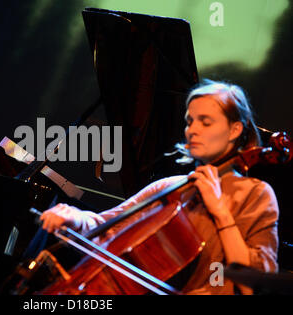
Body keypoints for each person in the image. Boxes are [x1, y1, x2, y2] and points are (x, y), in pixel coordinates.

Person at [39, 79, 279, 295]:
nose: (192, 130)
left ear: (235, 130)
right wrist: (76, 219)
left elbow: (257, 282)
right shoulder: (171, 187)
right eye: (190, 121)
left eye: (205, 122)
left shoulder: (256, 194)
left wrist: (221, 212)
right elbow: (107, 229)